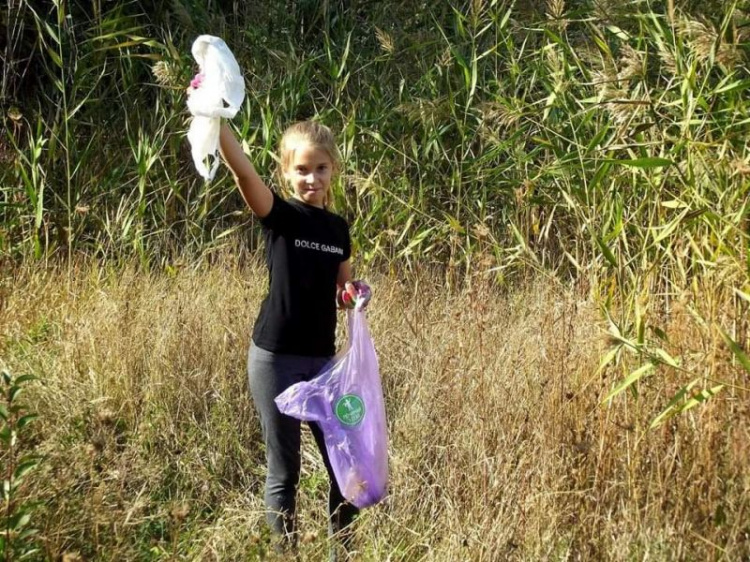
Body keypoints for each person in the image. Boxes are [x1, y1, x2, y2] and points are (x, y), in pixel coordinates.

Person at [209, 111, 371, 558]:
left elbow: (342, 290)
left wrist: (353, 294)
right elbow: (242, 170)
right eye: (301, 169)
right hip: (275, 358)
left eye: (320, 168)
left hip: (321, 364)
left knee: (344, 467)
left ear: (332, 169)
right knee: (286, 471)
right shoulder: (280, 216)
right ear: (286, 172)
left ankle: (345, 552)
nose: (311, 179)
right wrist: (214, 118)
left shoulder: (339, 229)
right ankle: (286, 554)